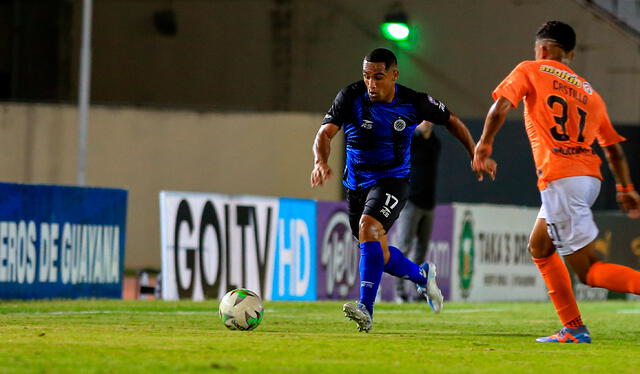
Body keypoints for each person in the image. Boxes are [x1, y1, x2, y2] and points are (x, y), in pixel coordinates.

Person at [473, 21, 640, 344]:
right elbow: (615, 151)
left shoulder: (530, 69)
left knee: (590, 272)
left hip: (562, 179)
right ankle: (573, 327)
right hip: (588, 179)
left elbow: (500, 107)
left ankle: (576, 331)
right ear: (571, 54)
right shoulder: (591, 93)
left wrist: (484, 145)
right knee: (540, 246)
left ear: (543, 49)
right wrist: (624, 188)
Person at [311, 48, 494, 332]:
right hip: (357, 185)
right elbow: (325, 133)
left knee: (368, 228)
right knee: (377, 254)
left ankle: (365, 310)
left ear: (394, 75)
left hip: (392, 181)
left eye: (378, 77)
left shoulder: (414, 102)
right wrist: (320, 161)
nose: (371, 83)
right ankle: (422, 276)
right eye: (366, 76)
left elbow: (452, 121)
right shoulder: (349, 96)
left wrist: (475, 153)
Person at [394, 121, 441, 303]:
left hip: (428, 203)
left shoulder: (435, 143)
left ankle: (416, 292)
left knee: (421, 251)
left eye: (429, 118)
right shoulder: (411, 141)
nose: (427, 122)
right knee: (403, 248)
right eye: (422, 119)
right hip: (411, 201)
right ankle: (399, 293)